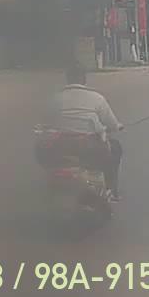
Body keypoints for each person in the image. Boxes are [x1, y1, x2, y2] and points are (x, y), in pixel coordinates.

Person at [46, 66, 125, 202]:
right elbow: (112, 124)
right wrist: (117, 126)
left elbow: (47, 120)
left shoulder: (56, 98)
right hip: (89, 145)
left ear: (67, 79)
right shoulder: (97, 98)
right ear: (84, 79)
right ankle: (111, 191)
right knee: (115, 148)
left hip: (62, 144)